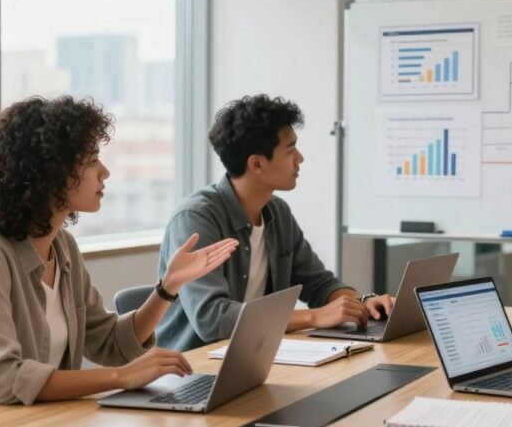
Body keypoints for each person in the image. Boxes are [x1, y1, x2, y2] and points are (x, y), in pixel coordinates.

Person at [0, 96, 238, 420]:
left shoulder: (63, 247)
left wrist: (169, 286)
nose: (105, 172)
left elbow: (111, 343)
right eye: (91, 160)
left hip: (36, 419)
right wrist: (120, 378)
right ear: (48, 172)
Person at [156, 94, 394, 351]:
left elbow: (320, 284)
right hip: (195, 369)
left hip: (256, 355)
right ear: (256, 163)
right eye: (290, 150)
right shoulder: (196, 218)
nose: (300, 158)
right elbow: (212, 319)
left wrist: (361, 304)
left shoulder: (277, 213)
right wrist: (314, 317)